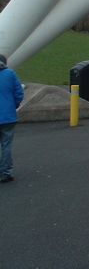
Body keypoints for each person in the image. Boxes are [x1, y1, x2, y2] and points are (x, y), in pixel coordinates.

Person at [0, 54, 25, 184]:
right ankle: (5, 172)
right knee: (6, 145)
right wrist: (13, 105)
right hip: (7, 116)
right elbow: (19, 93)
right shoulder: (10, 74)